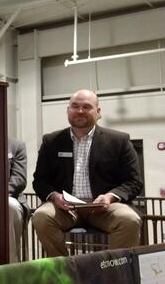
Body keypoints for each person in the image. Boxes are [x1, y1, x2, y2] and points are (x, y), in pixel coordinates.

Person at [31, 89, 142, 257]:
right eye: (75, 106)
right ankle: (65, 271)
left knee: (129, 220)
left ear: (98, 112)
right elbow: (40, 180)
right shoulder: (51, 141)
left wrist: (110, 197)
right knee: (41, 217)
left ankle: (114, 272)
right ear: (68, 110)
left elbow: (133, 181)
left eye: (86, 106)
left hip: (104, 208)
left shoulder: (119, 141)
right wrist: (55, 196)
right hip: (65, 208)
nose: (80, 111)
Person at [8, 138, 29, 263]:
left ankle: (11, 268)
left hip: (10, 198)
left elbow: (19, 179)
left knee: (8, 205)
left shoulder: (16, 145)